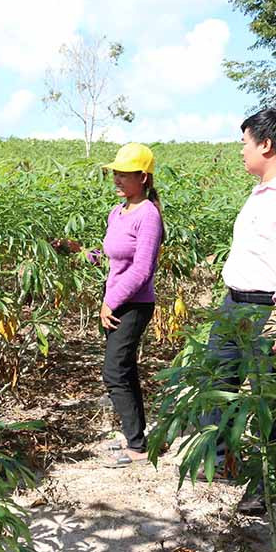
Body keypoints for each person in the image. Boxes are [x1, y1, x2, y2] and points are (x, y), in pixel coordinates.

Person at [201, 108, 276, 514]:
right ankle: (220, 462)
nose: (241, 151)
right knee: (218, 382)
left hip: (270, 307)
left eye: (245, 143)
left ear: (266, 144)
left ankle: (272, 485)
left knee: (270, 400)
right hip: (234, 303)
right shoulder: (261, 190)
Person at [98, 142, 165, 468]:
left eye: (124, 174)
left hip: (134, 305)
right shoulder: (118, 211)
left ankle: (136, 447)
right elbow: (111, 256)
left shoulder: (148, 215)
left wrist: (110, 302)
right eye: (115, 173)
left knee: (114, 372)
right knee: (124, 371)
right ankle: (135, 437)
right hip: (116, 302)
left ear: (143, 177)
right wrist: (79, 250)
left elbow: (142, 269)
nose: (117, 179)